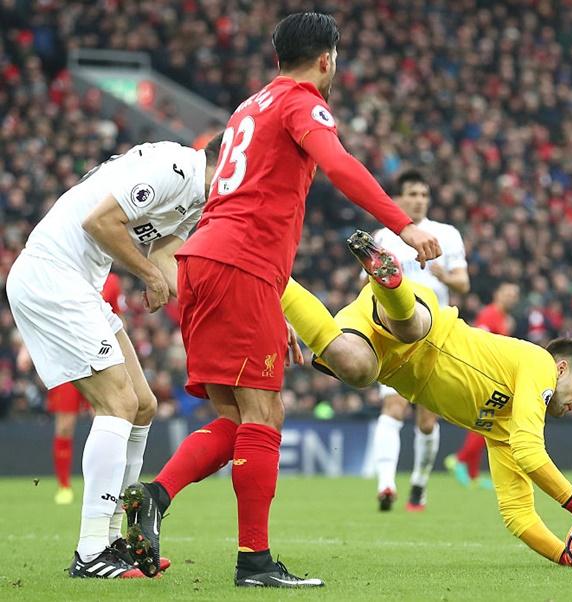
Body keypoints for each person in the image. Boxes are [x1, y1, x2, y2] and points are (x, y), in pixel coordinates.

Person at [120, 11, 441, 588]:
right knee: (265, 415)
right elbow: (337, 162)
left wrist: (266, 298)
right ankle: (255, 562)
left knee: (234, 418)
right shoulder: (302, 102)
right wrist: (402, 224)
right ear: (327, 58)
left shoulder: (250, 106)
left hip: (206, 262)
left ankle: (155, 494)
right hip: (241, 266)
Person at [279, 230, 572, 566]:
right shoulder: (539, 363)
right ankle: (387, 276)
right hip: (423, 320)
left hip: (382, 359)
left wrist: (566, 556)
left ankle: (276, 277)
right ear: (561, 369)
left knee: (357, 370)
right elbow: (531, 452)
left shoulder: (503, 428)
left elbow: (518, 514)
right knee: (409, 326)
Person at [6, 135, 222, 579]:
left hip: (77, 284)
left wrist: (224, 311)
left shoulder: (196, 200)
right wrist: (145, 273)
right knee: (118, 404)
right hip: (53, 275)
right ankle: (91, 551)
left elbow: (164, 260)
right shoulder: (175, 167)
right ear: (227, 158)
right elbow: (100, 222)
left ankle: (121, 542)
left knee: (142, 405)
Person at [368, 169, 469, 512]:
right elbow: (366, 285)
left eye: (424, 194)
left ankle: (419, 484)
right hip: (394, 335)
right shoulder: (383, 236)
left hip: (435, 334)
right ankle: (385, 484)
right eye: (412, 194)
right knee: (393, 407)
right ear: (397, 199)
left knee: (427, 420)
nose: (418, 200)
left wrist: (443, 274)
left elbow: (463, 285)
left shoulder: (447, 235)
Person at [16, 272, 127, 506]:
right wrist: (29, 348)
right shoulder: (64, 274)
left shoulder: (112, 282)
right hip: (68, 360)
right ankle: (64, 485)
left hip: (102, 363)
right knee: (65, 427)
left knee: (108, 422)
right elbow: (43, 316)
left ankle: (106, 487)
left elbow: (117, 318)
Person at [445, 282, 520, 489]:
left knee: (484, 421)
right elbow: (479, 343)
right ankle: (460, 459)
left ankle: (473, 473)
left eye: (515, 294)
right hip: (484, 375)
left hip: (494, 375)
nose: (512, 297)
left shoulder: (504, 319)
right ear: (497, 294)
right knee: (486, 421)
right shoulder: (489, 315)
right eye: (508, 293)